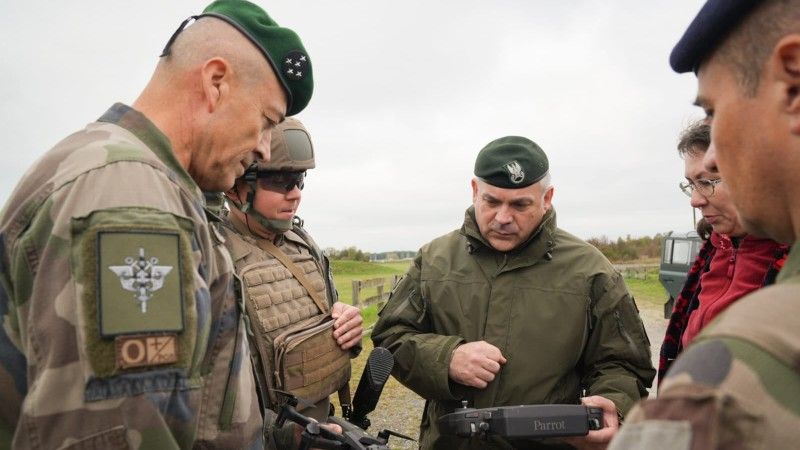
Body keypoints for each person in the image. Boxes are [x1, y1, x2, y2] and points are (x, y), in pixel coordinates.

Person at [0, 1, 314, 448]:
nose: (265, 149)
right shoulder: (130, 199)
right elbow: (117, 434)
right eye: (266, 122)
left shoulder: (150, 183)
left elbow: (192, 407)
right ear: (216, 82)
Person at [372, 136, 655, 450]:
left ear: (547, 198)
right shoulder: (434, 259)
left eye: (520, 205)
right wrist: (446, 358)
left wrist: (614, 406)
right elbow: (390, 337)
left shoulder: (592, 271)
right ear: (474, 191)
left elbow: (624, 364)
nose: (503, 218)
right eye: (492, 201)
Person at [608, 1, 800, 449]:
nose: (715, 156)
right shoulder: (711, 256)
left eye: (714, 112)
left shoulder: (760, 348)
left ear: (792, 83)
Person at [220, 117, 364, 447]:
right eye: (281, 180)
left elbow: (321, 335)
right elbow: (207, 401)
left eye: (299, 179)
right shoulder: (214, 259)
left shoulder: (304, 244)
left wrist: (346, 330)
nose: (295, 193)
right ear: (234, 185)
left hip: (324, 431)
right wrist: (289, 433)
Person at [658, 121, 788, 384]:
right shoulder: (711, 253)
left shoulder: (789, 265)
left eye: (706, 182)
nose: (695, 200)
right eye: (690, 184)